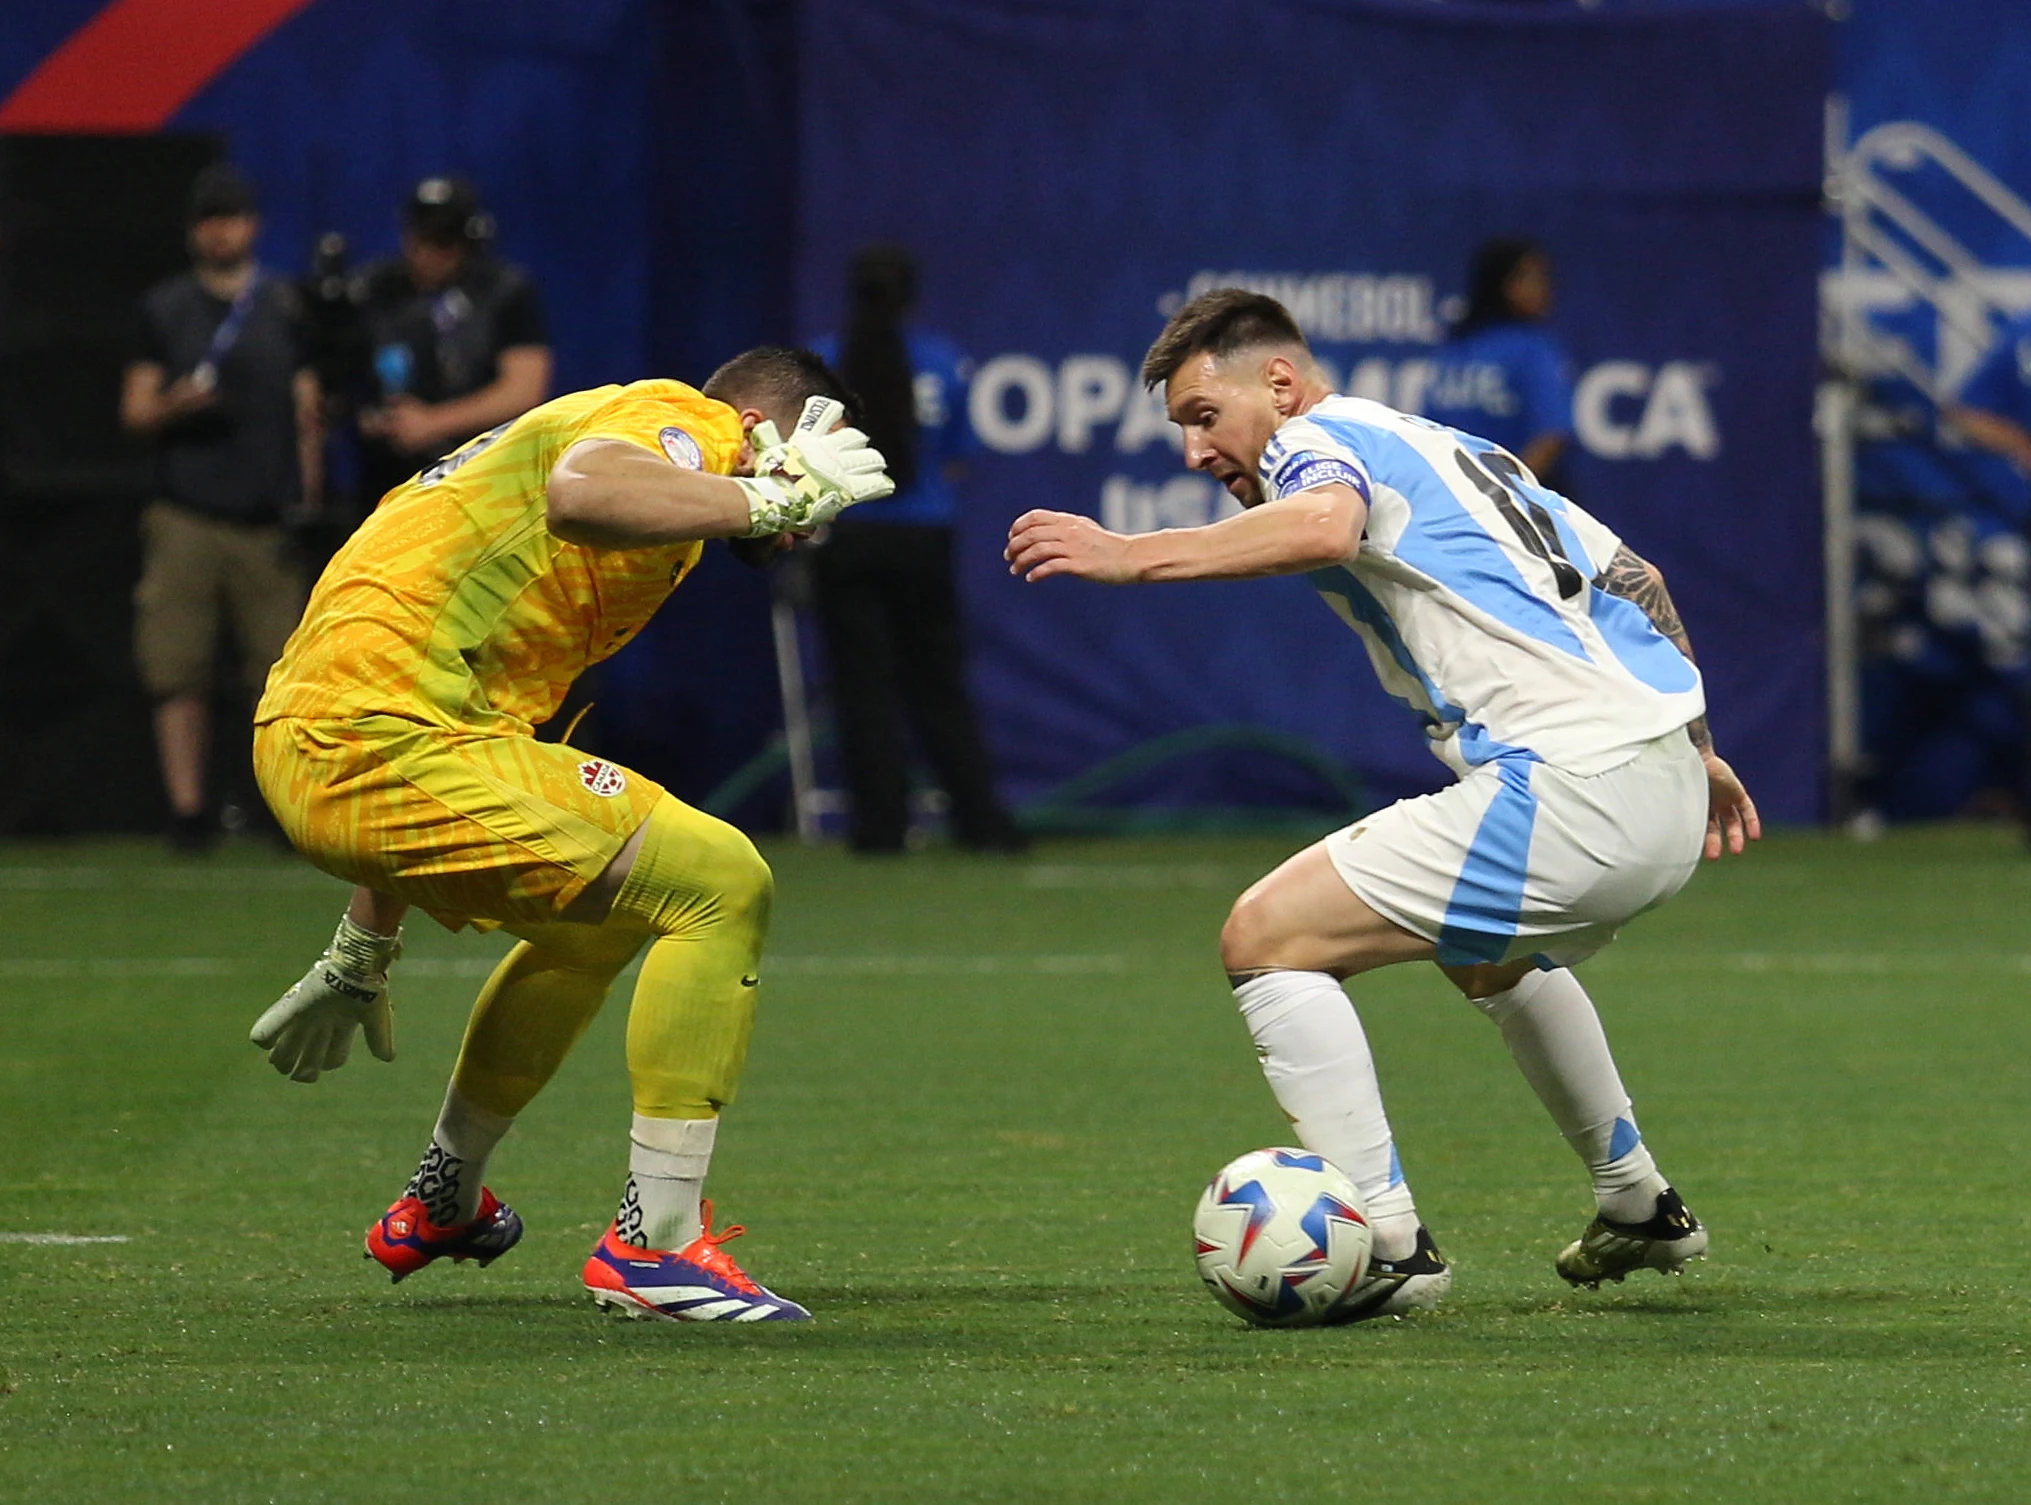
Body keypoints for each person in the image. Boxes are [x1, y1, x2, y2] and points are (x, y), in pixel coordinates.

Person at [1005, 290, 1758, 1319]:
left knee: (1266, 936)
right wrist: (1697, 747)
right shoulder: (1441, 444)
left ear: (1277, 383)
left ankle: (1391, 1244)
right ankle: (1636, 1199)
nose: (1194, 450)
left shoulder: (1318, 440)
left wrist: (1131, 553)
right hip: (1651, 776)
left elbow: (1323, 525)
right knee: (1482, 950)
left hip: (1574, 784)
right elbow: (1638, 578)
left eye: (1200, 415)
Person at [246, 347, 892, 1323]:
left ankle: (443, 1194)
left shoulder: (644, 501)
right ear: (776, 426)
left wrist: (361, 948)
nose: (820, 512)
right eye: (822, 459)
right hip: (362, 742)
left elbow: (456, 726)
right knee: (722, 879)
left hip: (351, 742)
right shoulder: (692, 424)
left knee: (600, 921)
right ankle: (656, 1242)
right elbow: (582, 492)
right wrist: (771, 497)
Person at [121, 163, 320, 852]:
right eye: (209, 218)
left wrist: (310, 496)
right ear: (193, 229)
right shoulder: (166, 307)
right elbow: (136, 408)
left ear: (252, 225)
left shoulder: (285, 305)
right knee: (177, 666)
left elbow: (308, 412)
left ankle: (281, 809)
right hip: (187, 512)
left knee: (279, 673)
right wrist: (175, 404)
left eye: (231, 217)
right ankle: (188, 810)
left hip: (266, 515)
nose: (221, 230)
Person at [808, 245, 1025, 852]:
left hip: (849, 535)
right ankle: (979, 822)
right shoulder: (942, 362)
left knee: (862, 687)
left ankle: (879, 827)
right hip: (924, 537)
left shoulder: (824, 364)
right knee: (938, 683)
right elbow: (958, 456)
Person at [352, 176, 551, 506]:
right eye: (418, 239)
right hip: (389, 483)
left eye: (441, 241)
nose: (426, 253)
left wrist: (432, 422)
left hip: (481, 480)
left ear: (466, 241)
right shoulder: (376, 289)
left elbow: (525, 389)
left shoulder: (503, 291)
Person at [1421, 238, 1575, 494]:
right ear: (1505, 285)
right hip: (1519, 506)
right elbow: (1551, 436)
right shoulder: (1532, 349)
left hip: (1458, 499)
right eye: (1534, 278)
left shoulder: (1455, 347)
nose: (1546, 288)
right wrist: (1509, 494)